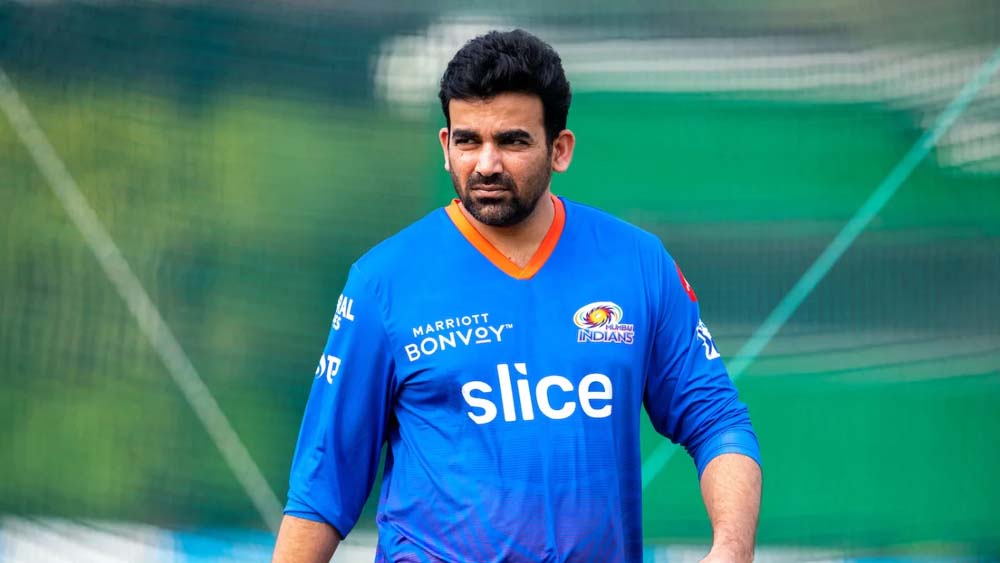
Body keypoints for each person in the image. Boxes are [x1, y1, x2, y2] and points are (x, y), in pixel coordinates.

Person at [272, 29, 761, 563]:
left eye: (512, 141)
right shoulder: (382, 281)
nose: (486, 164)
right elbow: (321, 490)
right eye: (468, 141)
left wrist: (732, 549)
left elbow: (718, 421)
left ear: (560, 149)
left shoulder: (638, 263)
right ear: (445, 146)